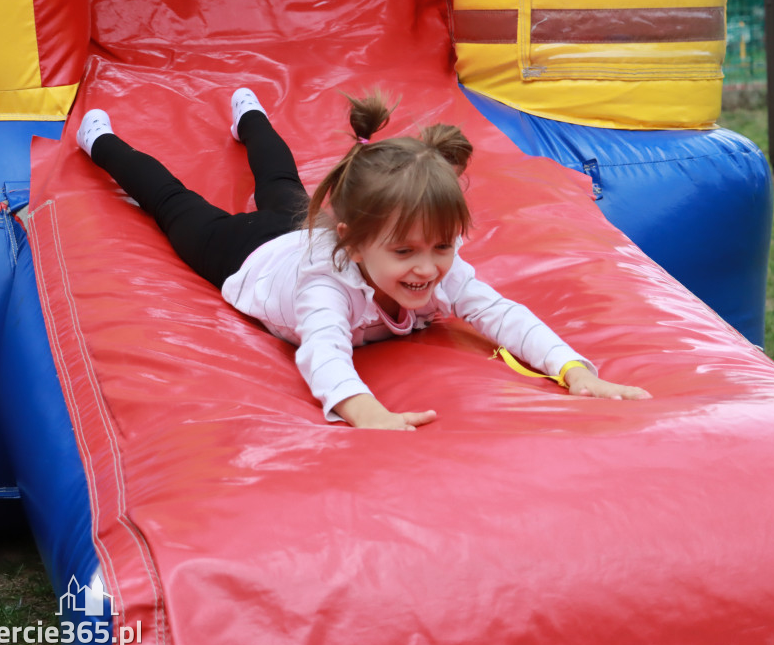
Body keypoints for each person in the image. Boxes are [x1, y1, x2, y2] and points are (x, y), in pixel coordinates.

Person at [75, 88, 650, 430]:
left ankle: (247, 114)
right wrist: (365, 410)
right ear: (354, 242)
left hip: (305, 231)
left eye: (443, 246)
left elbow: (502, 314)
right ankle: (101, 141)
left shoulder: (433, 270)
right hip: (249, 255)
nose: (427, 268)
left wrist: (574, 372)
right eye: (406, 252)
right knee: (176, 205)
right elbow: (323, 351)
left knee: (280, 181)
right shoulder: (326, 288)